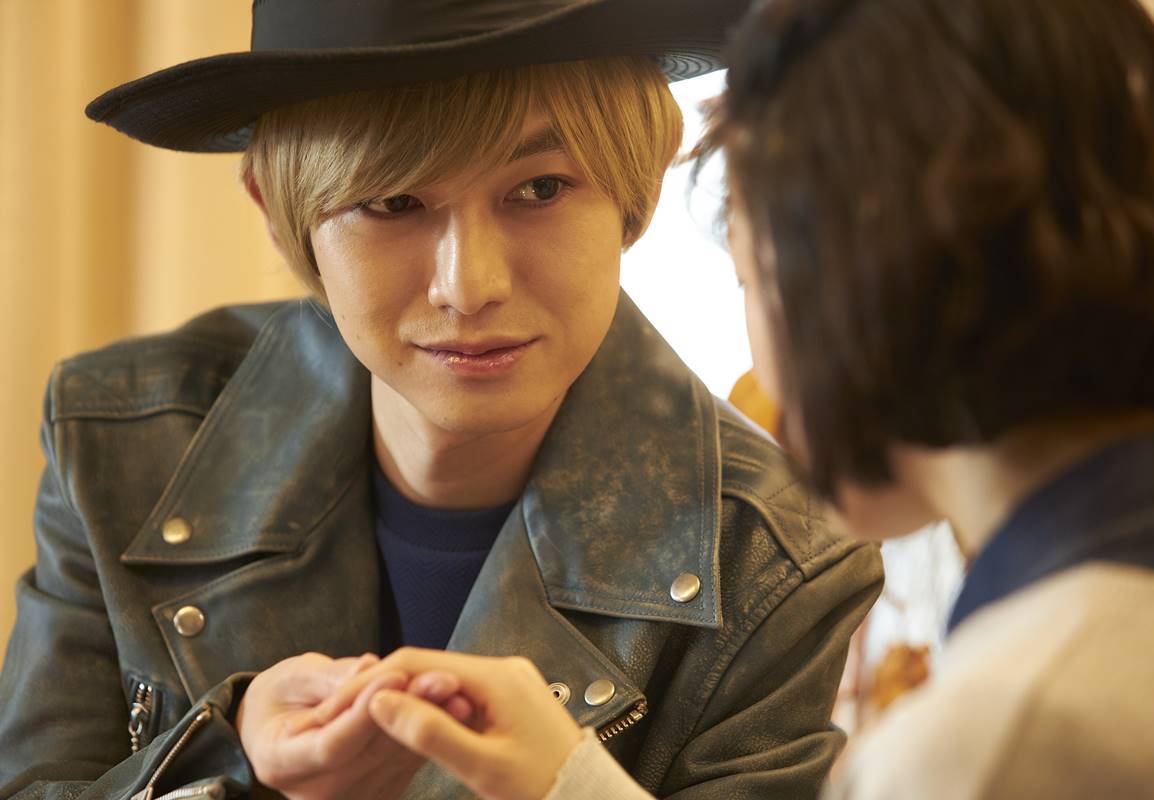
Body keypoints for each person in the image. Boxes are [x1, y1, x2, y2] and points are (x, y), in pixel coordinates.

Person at [314, 0, 1154, 798]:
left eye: (748, 273)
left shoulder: (999, 741)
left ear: (857, 280)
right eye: (395, 199)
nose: (469, 286)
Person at [0, 2, 884, 799]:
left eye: (540, 188)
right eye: (395, 201)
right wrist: (232, 757)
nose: (470, 285)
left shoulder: (776, 562)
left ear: (641, 178)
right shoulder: (121, 444)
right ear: (277, 210)